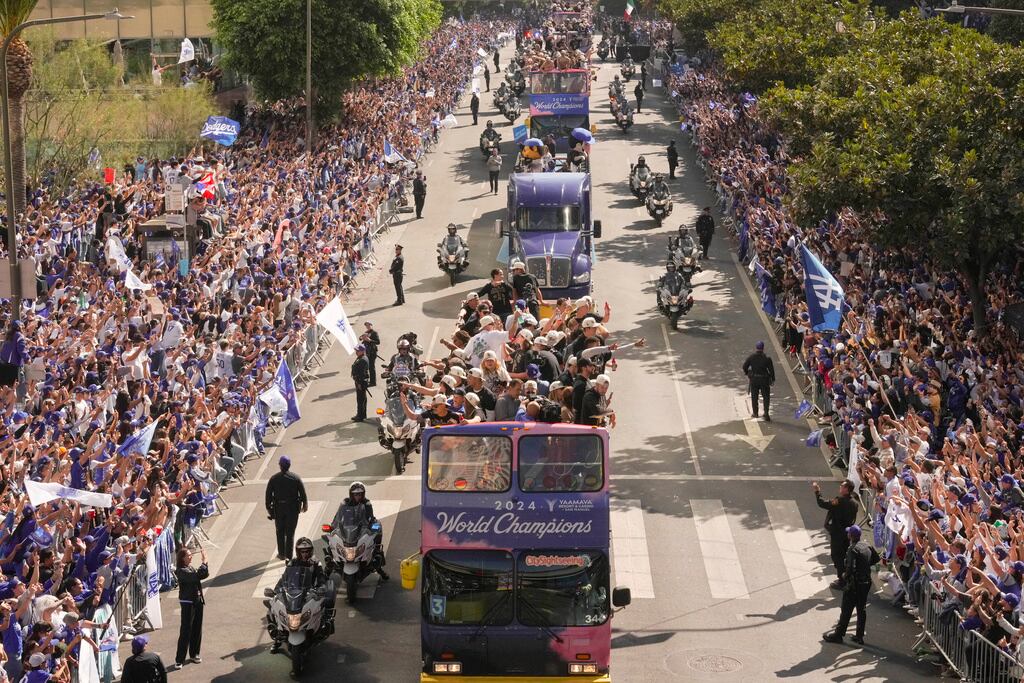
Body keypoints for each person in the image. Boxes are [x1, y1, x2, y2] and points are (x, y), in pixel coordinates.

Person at [823, 525, 879, 645]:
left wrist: (845, 576)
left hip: (855, 584)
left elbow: (850, 568)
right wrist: (864, 566)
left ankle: (838, 634)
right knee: (861, 609)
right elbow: (876, 558)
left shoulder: (852, 549)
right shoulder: (867, 545)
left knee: (846, 609)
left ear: (850, 536)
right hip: (866, 582)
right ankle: (859, 636)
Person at [813, 479, 859, 589]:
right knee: (845, 555)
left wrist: (817, 492)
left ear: (847, 489)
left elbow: (823, 503)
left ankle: (842, 580)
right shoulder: (855, 503)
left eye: (842, 486)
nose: (840, 488)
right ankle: (847, 576)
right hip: (847, 533)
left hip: (838, 533)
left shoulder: (840, 501)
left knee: (837, 556)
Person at [169, 546, 208, 671]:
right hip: (187, 603)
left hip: (197, 601)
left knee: (197, 627)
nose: (191, 556)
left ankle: (194, 653)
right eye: (189, 555)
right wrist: (204, 561)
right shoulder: (181, 571)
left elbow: (204, 574)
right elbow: (197, 576)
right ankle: (179, 659)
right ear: (182, 558)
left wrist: (204, 564)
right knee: (186, 630)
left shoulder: (190, 567)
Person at [265, 455, 308, 561]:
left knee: (280, 531)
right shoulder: (296, 478)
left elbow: (268, 495)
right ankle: (289, 556)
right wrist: (305, 504)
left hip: (279, 508)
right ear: (289, 465)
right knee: (290, 533)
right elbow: (302, 493)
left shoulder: (274, 478)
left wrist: (270, 510)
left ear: (280, 466)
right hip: (292, 509)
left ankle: (282, 553)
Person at [741, 341, 775, 420]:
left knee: (754, 396)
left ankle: (755, 413)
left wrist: (748, 373)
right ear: (763, 348)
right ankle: (766, 413)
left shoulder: (751, 357)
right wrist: (772, 379)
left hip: (754, 380)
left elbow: (744, 366)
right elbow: (771, 371)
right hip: (764, 380)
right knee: (766, 397)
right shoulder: (767, 358)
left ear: (756, 348)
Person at [351, 344, 370, 422]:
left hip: (361, 382)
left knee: (360, 399)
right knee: (362, 399)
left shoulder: (362, 360)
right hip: (360, 381)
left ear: (362, 351)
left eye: (357, 351)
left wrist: (359, 383)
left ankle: (360, 416)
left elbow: (361, 373)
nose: (356, 352)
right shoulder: (361, 357)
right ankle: (362, 414)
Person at [359, 321, 380, 387]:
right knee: (366, 367)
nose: (367, 326)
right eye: (366, 325)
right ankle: (367, 380)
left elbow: (378, 342)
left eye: (368, 325)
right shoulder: (366, 333)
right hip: (366, 352)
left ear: (371, 325)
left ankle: (373, 382)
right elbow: (361, 339)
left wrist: (370, 340)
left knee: (371, 367)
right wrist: (362, 338)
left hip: (372, 352)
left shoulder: (374, 333)